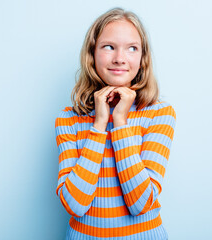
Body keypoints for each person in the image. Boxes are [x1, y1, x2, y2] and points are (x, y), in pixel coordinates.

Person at [54, 7, 176, 240]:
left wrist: (119, 122)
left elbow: (141, 203)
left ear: (142, 59)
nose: (120, 58)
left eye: (132, 48)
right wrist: (100, 124)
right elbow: (75, 204)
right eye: (109, 46)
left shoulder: (160, 113)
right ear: (92, 54)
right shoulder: (68, 119)